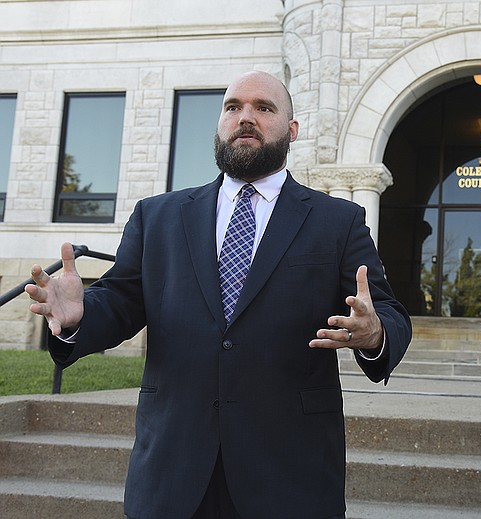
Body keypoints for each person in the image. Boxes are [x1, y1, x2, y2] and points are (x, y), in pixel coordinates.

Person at [25, 70, 412, 519]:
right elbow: (122, 301)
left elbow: (388, 312)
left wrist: (375, 332)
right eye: (233, 107)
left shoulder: (337, 221)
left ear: (291, 131)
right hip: (174, 470)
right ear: (220, 123)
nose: (245, 117)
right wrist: (78, 315)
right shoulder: (158, 217)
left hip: (289, 474)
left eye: (263, 108)